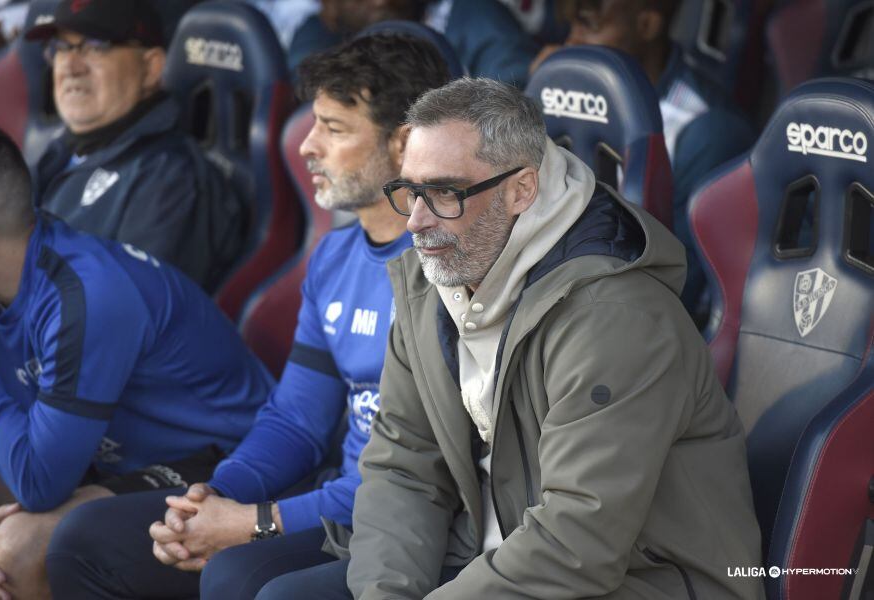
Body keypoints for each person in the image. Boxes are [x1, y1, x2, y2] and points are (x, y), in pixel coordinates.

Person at [250, 77, 764, 599]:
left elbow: (576, 543)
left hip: (638, 579)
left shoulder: (617, 318)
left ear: (521, 190)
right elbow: (404, 467)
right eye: (410, 192)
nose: (416, 223)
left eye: (445, 193)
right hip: (486, 551)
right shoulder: (428, 280)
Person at [44, 33, 451, 600]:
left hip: (407, 520)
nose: (306, 146)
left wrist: (257, 522)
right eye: (313, 124)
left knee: (238, 577)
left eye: (334, 129)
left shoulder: (450, 271)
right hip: (336, 498)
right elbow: (296, 421)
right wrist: (213, 497)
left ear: (405, 143)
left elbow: (418, 477)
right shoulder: (333, 257)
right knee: (84, 539)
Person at [0, 121, 273, 600]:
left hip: (225, 462)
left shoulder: (85, 296)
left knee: (17, 549)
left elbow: (39, 484)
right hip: (115, 462)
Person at [532, 0, 755, 320]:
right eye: (571, 27)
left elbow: (679, 285)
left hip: (639, 321)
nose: (572, 42)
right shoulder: (553, 95)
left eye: (590, 27)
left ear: (647, 26)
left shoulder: (705, 128)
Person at [25, 0, 248, 293]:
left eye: (95, 46)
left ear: (152, 67)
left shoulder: (170, 179)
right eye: (61, 47)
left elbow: (125, 320)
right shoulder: (63, 149)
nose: (70, 66)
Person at [287, 0, 538, 87]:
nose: (380, 1)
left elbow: (511, 98)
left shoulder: (472, 15)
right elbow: (305, 97)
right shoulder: (321, 29)